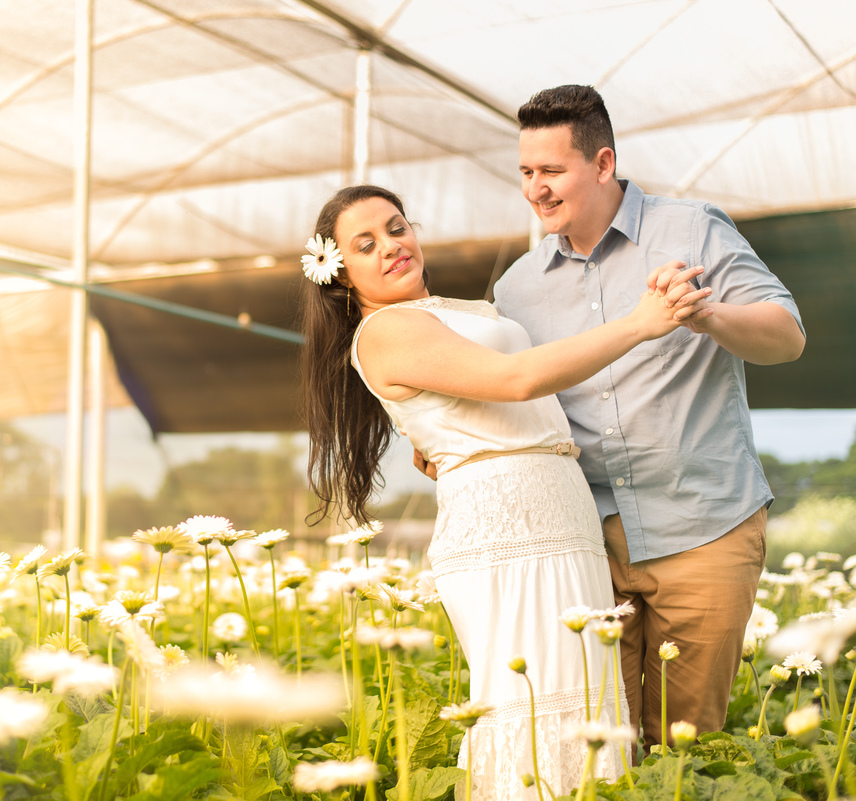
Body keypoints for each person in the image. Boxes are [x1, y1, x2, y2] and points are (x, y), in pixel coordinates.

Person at [300, 184, 708, 799]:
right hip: (503, 527)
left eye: (397, 227)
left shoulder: (449, 309)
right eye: (366, 244)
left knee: (588, 699)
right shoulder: (385, 331)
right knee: (534, 701)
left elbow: (488, 403)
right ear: (340, 275)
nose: (391, 246)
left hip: (558, 507)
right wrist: (640, 325)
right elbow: (515, 379)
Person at [476, 84, 805, 752]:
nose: (535, 189)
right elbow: (517, 396)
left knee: (684, 745)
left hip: (705, 528)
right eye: (526, 173)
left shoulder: (691, 230)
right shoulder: (516, 286)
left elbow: (786, 335)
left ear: (602, 164)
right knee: (605, 745)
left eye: (551, 171)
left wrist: (706, 315)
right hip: (586, 545)